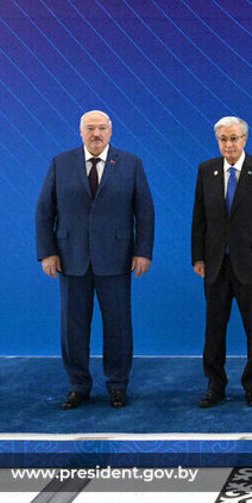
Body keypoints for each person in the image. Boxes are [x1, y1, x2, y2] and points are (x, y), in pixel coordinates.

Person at [35, 110, 154, 409]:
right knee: (72, 327)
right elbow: (44, 210)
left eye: (102, 128)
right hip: (71, 258)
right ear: (80, 132)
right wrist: (47, 252)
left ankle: (117, 385)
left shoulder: (131, 163)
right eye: (90, 128)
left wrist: (142, 252)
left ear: (111, 132)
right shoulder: (61, 163)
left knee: (118, 325)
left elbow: (145, 212)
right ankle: (78, 386)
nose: (96, 133)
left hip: (116, 258)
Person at [191, 116, 252, 408]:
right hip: (215, 264)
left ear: (245, 139)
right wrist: (198, 257)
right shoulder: (206, 170)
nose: (228, 144)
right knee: (214, 328)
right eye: (223, 139)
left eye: (234, 138)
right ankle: (215, 385)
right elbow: (199, 218)